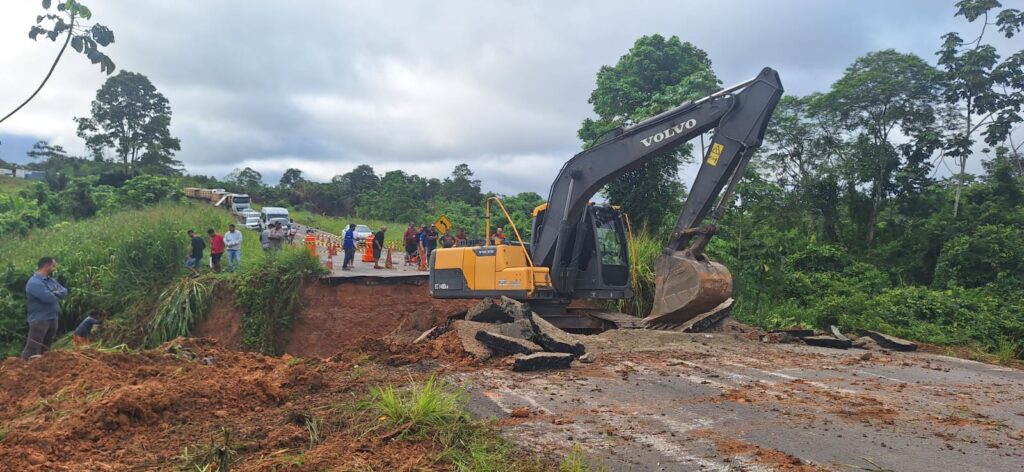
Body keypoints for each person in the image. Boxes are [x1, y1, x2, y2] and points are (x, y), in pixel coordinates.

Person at [22, 256, 68, 359]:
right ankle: (23, 365)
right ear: (46, 266)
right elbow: (49, 298)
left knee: (46, 348)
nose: (55, 268)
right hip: (40, 320)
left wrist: (55, 293)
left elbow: (65, 291)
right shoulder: (34, 282)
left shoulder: (50, 280)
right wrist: (57, 293)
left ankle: (42, 366)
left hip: (52, 317)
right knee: (33, 347)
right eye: (53, 266)